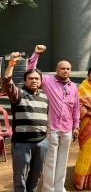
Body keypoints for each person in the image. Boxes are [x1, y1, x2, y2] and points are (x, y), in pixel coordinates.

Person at [27, 45, 79, 192]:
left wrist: (76, 126)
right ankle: (48, 189)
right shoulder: (48, 81)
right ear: (57, 69)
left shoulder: (73, 87)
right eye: (62, 68)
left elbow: (75, 108)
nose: (65, 71)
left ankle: (59, 188)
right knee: (50, 161)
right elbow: (31, 70)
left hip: (67, 128)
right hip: (52, 128)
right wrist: (36, 54)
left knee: (63, 160)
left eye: (68, 68)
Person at [3, 52, 48, 192]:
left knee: (36, 176)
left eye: (36, 78)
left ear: (40, 81)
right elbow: (6, 81)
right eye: (30, 78)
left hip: (42, 143)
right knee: (20, 178)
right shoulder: (18, 95)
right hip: (22, 143)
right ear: (25, 81)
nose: (34, 81)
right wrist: (11, 63)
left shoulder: (45, 97)